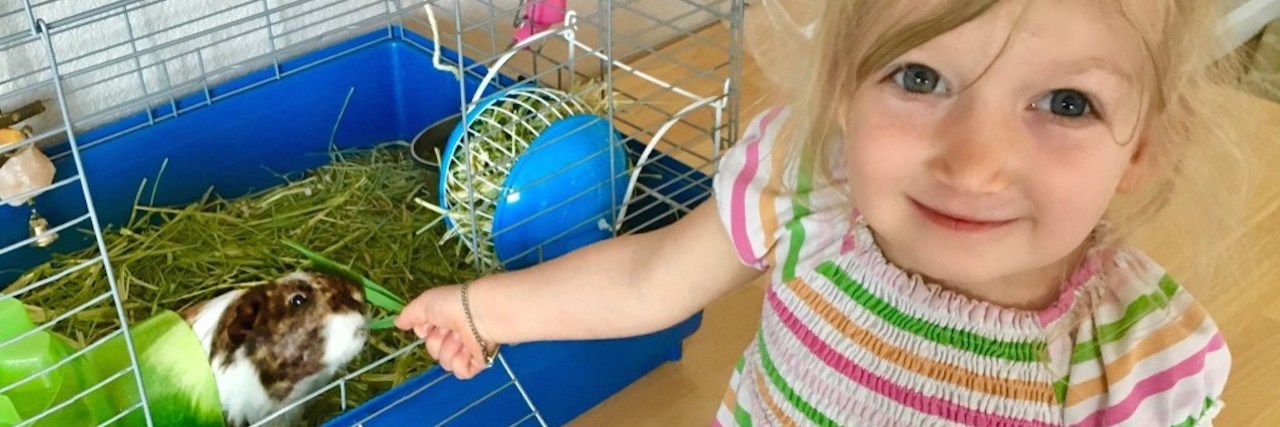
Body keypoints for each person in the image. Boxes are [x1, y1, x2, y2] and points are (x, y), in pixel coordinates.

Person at [395, 0, 1258, 424]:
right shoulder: (805, 186)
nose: (974, 161)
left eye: (1067, 103)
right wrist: (485, 307)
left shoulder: (1145, 358)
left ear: (1145, 144)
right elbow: (645, 280)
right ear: (841, 94)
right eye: (918, 78)